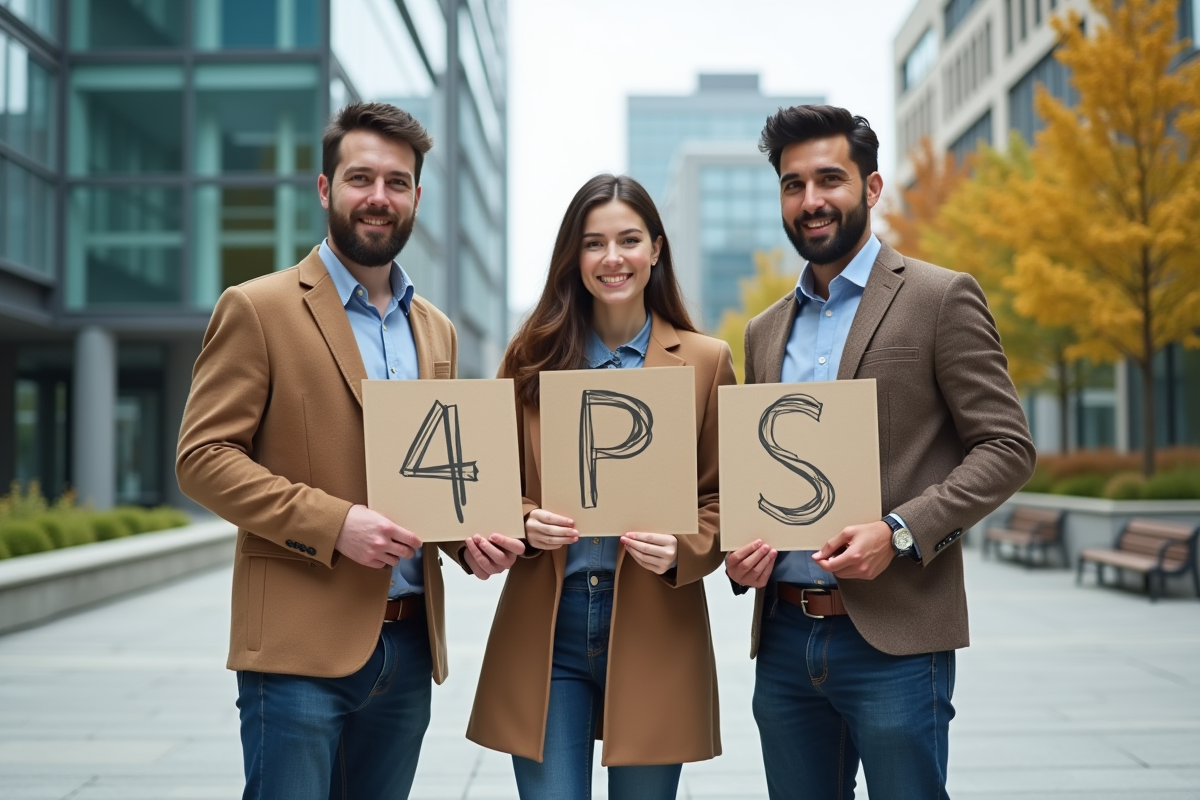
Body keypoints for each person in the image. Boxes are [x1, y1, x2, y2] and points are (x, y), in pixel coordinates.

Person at [176, 102, 521, 800]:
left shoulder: (438, 332)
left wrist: (469, 540)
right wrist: (335, 524)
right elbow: (204, 457)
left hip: (407, 650)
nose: (378, 197)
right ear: (325, 187)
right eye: (361, 178)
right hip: (298, 650)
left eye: (397, 182)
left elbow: (429, 478)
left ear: (417, 198)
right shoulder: (257, 308)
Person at [725, 105, 1036, 800]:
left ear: (871, 188)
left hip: (896, 640)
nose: (811, 201)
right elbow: (766, 478)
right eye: (793, 184)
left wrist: (898, 534)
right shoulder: (763, 329)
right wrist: (741, 557)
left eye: (829, 179)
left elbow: (1007, 446)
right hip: (782, 640)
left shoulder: (939, 297)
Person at [466, 174, 735, 799]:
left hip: (652, 623)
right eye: (593, 243)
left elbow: (730, 497)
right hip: (547, 626)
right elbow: (485, 480)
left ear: (657, 250)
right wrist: (524, 518)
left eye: (629, 240)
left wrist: (686, 546)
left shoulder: (704, 361)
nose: (612, 258)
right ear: (574, 256)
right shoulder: (530, 358)